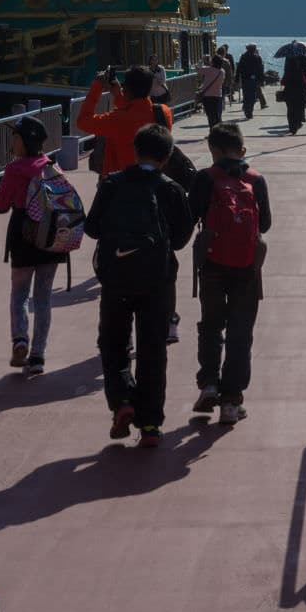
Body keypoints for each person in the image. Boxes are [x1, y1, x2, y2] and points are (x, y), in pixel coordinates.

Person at [92, 124, 194, 447]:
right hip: (157, 280)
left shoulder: (112, 184)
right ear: (166, 158)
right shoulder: (171, 189)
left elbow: (93, 228)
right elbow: (179, 240)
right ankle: (150, 423)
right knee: (153, 349)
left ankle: (122, 400)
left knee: (114, 343)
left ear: (135, 152)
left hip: (116, 280)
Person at [189, 124, 271, 425]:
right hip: (247, 267)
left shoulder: (205, 178)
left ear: (213, 150)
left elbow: (192, 214)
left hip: (212, 265)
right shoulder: (256, 180)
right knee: (240, 333)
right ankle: (232, 401)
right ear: (242, 149)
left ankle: (209, 383)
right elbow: (266, 225)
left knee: (211, 326)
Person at [0, 116, 68, 378]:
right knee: (44, 297)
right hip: (50, 238)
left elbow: (0, 206)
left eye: (15, 137)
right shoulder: (51, 166)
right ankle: (38, 355)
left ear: (24, 141)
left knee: (20, 293)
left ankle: (20, 339)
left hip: (23, 235)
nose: (12, 141)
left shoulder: (14, 170)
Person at [77, 66, 175, 173]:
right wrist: (119, 96)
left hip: (122, 183)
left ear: (127, 89)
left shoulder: (117, 119)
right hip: (156, 179)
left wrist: (96, 87)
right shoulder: (164, 112)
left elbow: (83, 121)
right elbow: (138, 111)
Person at [282, 53, 306, 135]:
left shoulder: (288, 59)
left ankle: (292, 126)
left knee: (290, 108)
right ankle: (297, 123)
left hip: (289, 89)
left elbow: (285, 75)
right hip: (300, 88)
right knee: (299, 107)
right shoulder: (303, 58)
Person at [236, 45, 266, 121]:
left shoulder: (243, 57)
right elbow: (260, 70)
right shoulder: (257, 57)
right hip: (254, 79)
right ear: (254, 49)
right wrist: (262, 80)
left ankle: (247, 110)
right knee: (252, 96)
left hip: (245, 79)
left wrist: (236, 78)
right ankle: (249, 111)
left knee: (246, 95)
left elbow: (239, 68)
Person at [196, 55, 227, 126]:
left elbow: (197, 69)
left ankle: (212, 131)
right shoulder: (222, 71)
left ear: (213, 62)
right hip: (218, 95)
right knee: (217, 115)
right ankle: (218, 131)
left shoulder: (208, 70)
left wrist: (201, 60)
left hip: (207, 96)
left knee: (210, 115)